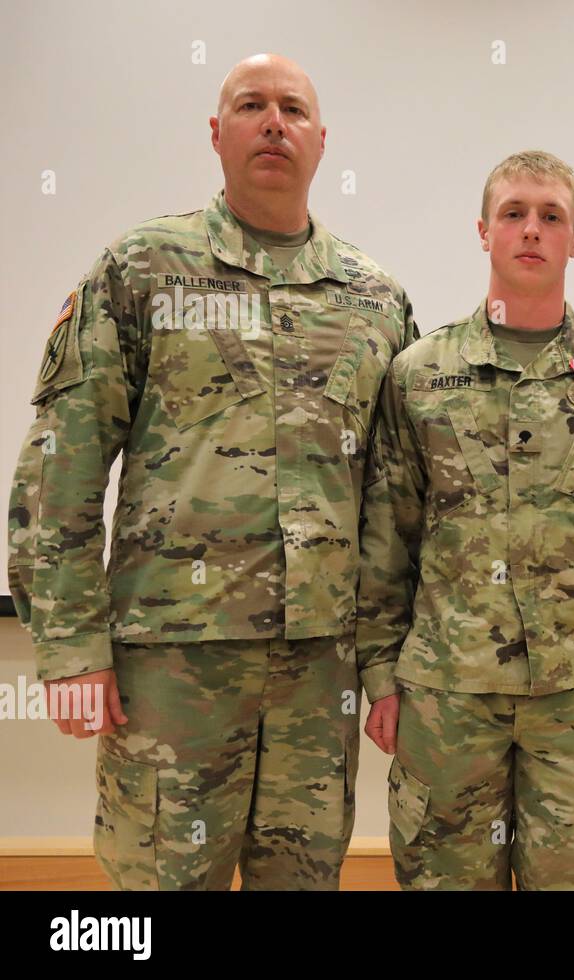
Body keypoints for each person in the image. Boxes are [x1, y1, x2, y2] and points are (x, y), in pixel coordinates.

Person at [7, 53, 419, 890]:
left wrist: (385, 662)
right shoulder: (143, 270)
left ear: (321, 139)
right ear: (217, 132)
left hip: (319, 671)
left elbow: (394, 505)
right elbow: (63, 464)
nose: (274, 123)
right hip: (172, 669)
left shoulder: (374, 300)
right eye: (252, 105)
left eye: (293, 109)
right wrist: (71, 646)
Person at [356, 150, 574, 890]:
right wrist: (378, 673)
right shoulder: (420, 376)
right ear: (484, 231)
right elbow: (386, 536)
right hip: (447, 698)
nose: (532, 230)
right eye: (514, 214)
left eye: (551, 217)